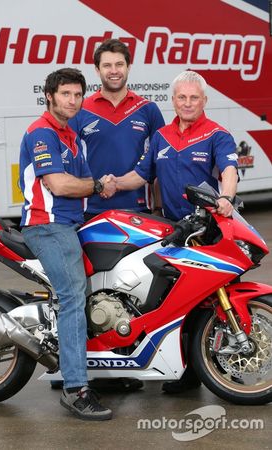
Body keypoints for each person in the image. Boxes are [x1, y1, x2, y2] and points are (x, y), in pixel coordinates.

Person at [107, 70, 239, 392]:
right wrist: (110, 185)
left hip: (208, 230)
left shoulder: (217, 135)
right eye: (182, 97)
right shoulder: (162, 136)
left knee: (209, 301)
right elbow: (140, 175)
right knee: (172, 300)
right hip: (172, 230)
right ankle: (180, 370)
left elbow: (229, 171)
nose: (188, 103)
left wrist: (226, 198)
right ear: (173, 100)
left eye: (194, 97)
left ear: (204, 100)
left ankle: (216, 369)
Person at [19, 68, 115, 420]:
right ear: (49, 95)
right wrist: (97, 186)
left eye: (77, 95)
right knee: (74, 295)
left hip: (73, 223)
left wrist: (98, 185)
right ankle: (76, 388)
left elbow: (85, 181)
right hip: (48, 226)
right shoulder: (42, 133)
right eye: (65, 94)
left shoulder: (72, 136)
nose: (72, 101)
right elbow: (60, 185)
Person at [69, 38, 165, 220]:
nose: (114, 71)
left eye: (119, 64)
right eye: (107, 65)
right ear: (97, 70)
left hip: (141, 211)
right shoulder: (81, 110)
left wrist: (158, 208)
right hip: (92, 211)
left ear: (128, 67)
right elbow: (70, 163)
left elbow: (161, 163)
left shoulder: (148, 109)